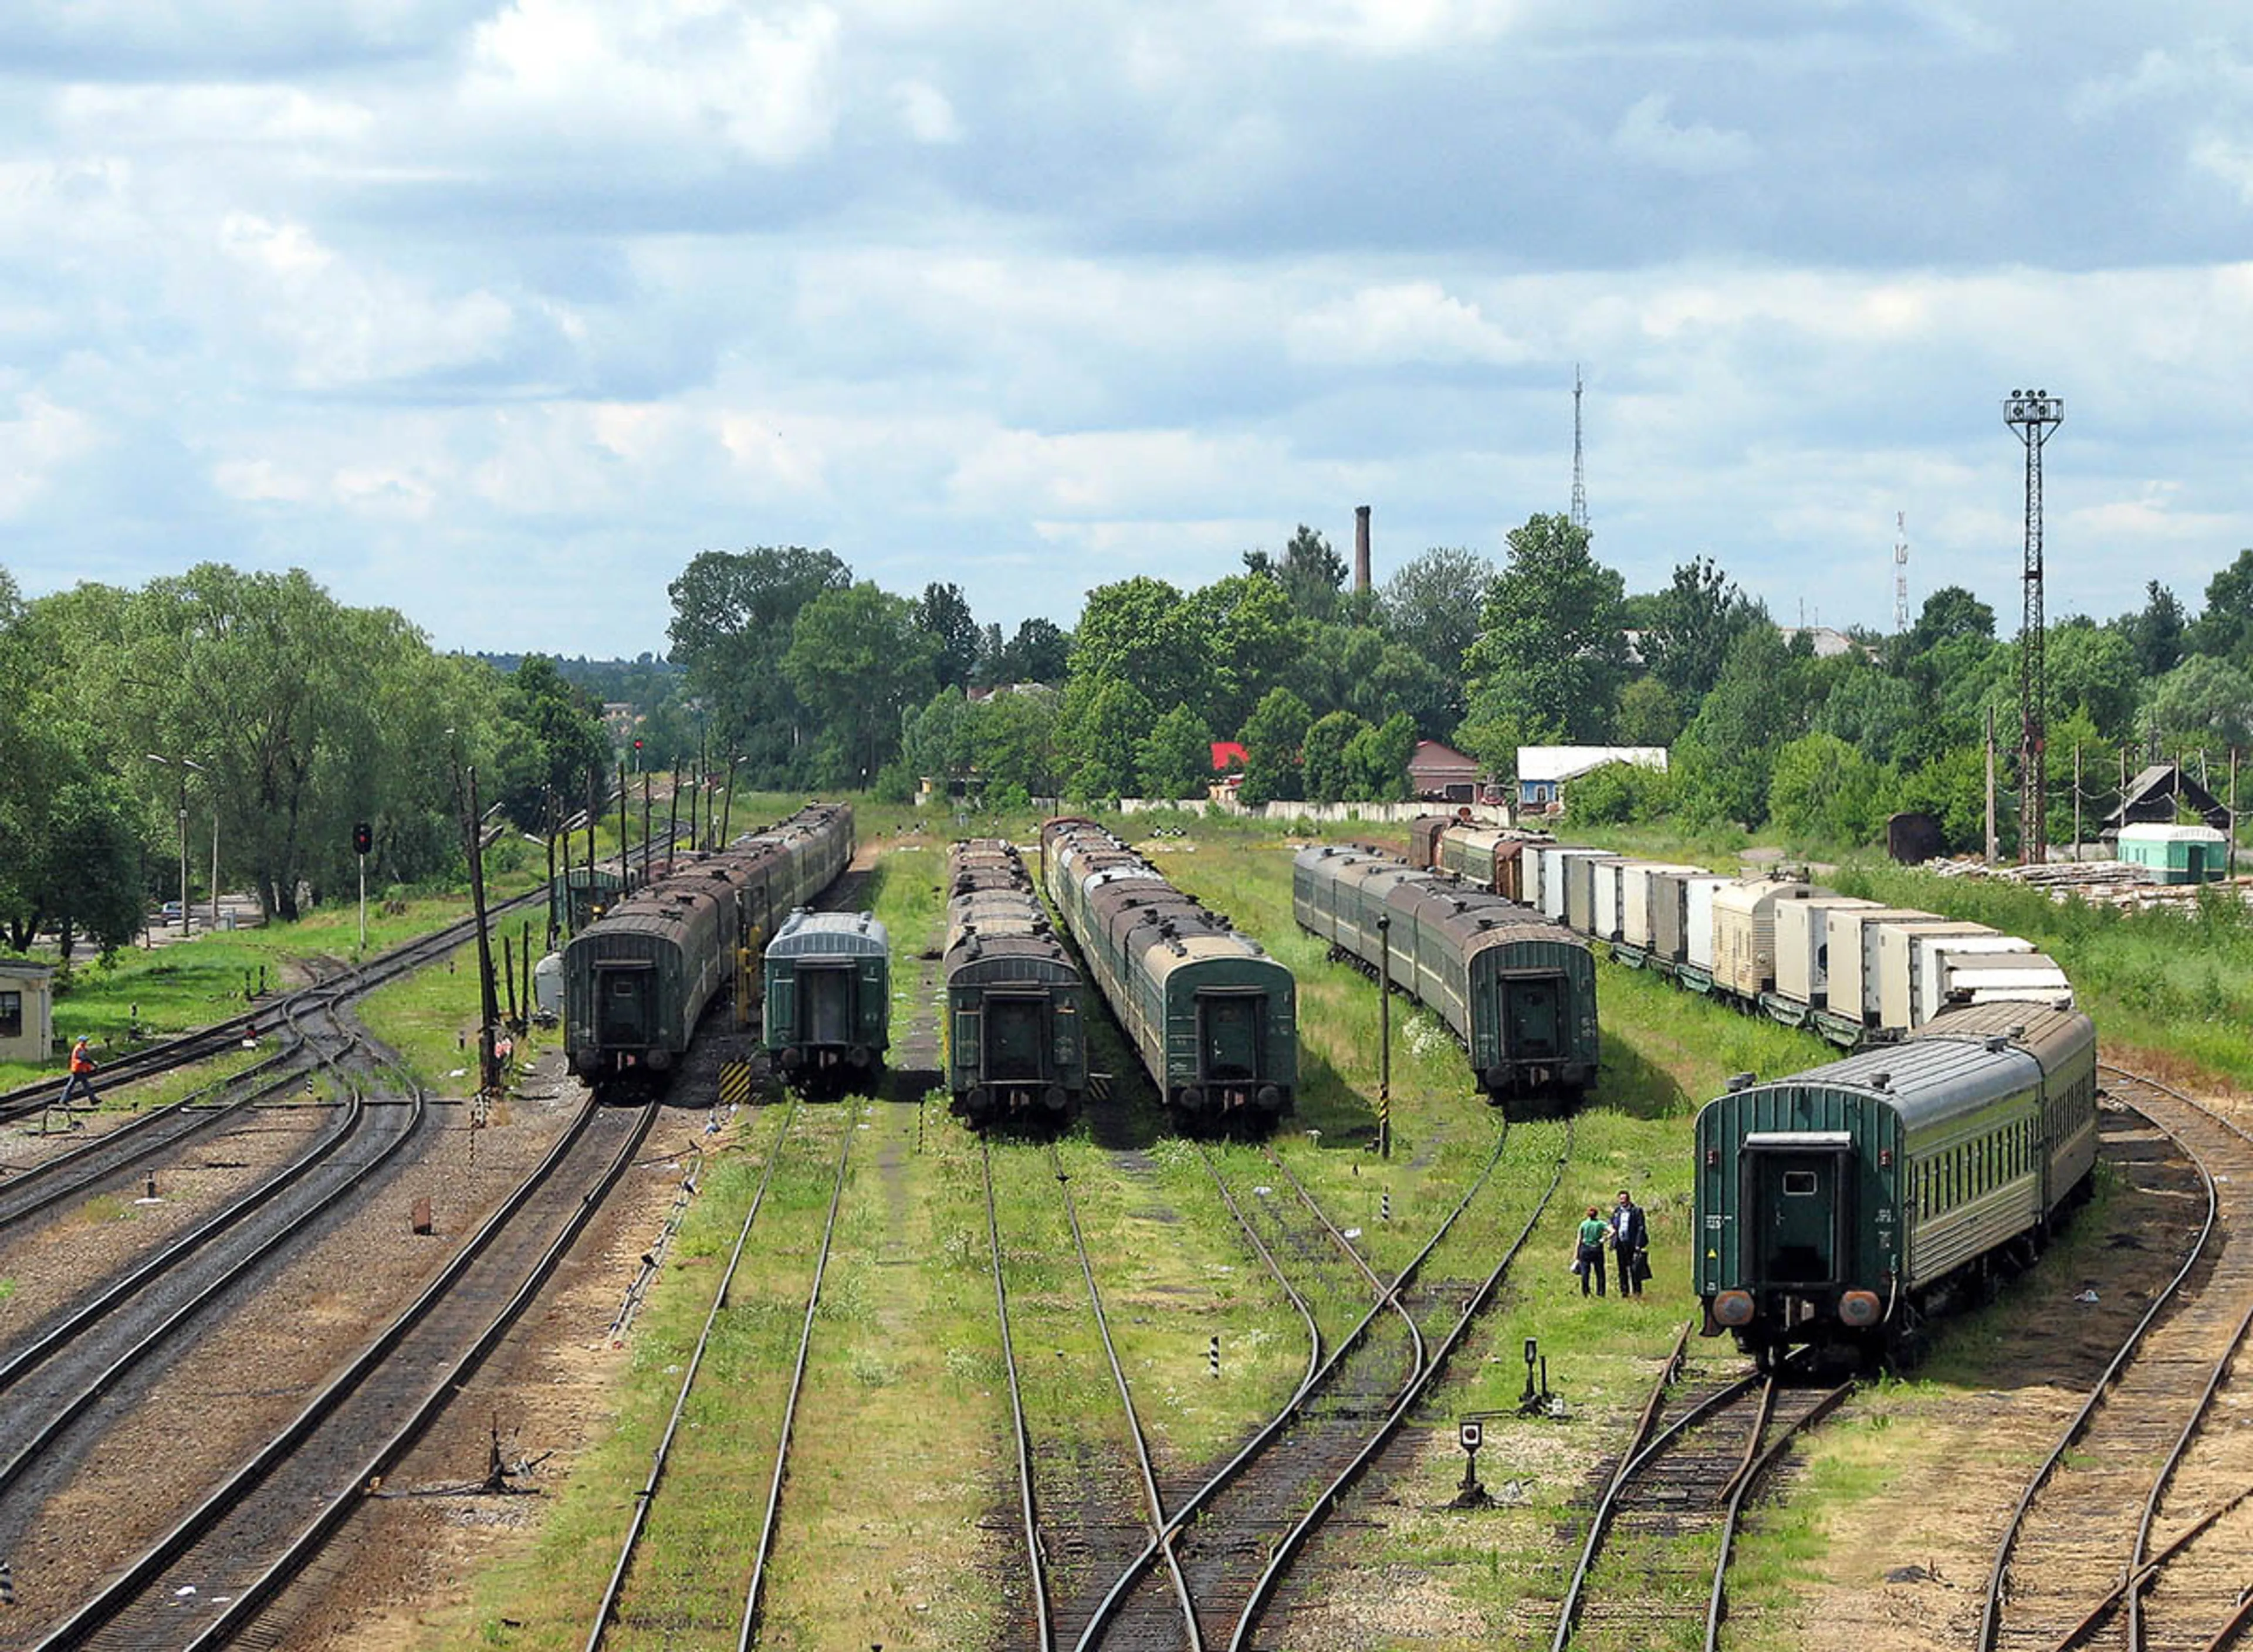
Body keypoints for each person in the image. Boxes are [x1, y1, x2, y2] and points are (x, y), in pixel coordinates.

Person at [1611, 1189, 1649, 1297]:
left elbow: (1641, 1228)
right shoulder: (1617, 1212)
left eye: (1624, 1199)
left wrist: (1638, 1244)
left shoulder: (1636, 1211)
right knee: (1622, 1269)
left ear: (1629, 1199)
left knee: (1635, 1269)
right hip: (1620, 1244)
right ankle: (1624, 1291)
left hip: (1632, 1244)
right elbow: (1612, 1225)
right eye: (1621, 1199)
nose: (1622, 1201)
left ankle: (1637, 1292)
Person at [1574, 1205, 1608, 1296]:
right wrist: (1605, 1239)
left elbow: (1579, 1240)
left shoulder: (1584, 1224)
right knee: (1600, 1272)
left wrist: (1577, 1253)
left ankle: (1586, 1292)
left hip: (1585, 1249)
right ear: (1597, 1214)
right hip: (1597, 1249)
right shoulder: (1601, 1224)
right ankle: (1601, 1292)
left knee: (1585, 1272)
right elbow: (1613, 1231)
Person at [59, 1036, 99, 1112]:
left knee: (74, 1085)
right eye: (84, 1041)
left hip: (78, 1069)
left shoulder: (80, 1048)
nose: (85, 1042)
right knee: (85, 1085)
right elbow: (84, 1058)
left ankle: (63, 1100)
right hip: (78, 1070)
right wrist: (93, 1063)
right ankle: (93, 1099)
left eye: (86, 1041)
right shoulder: (79, 1049)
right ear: (81, 1041)